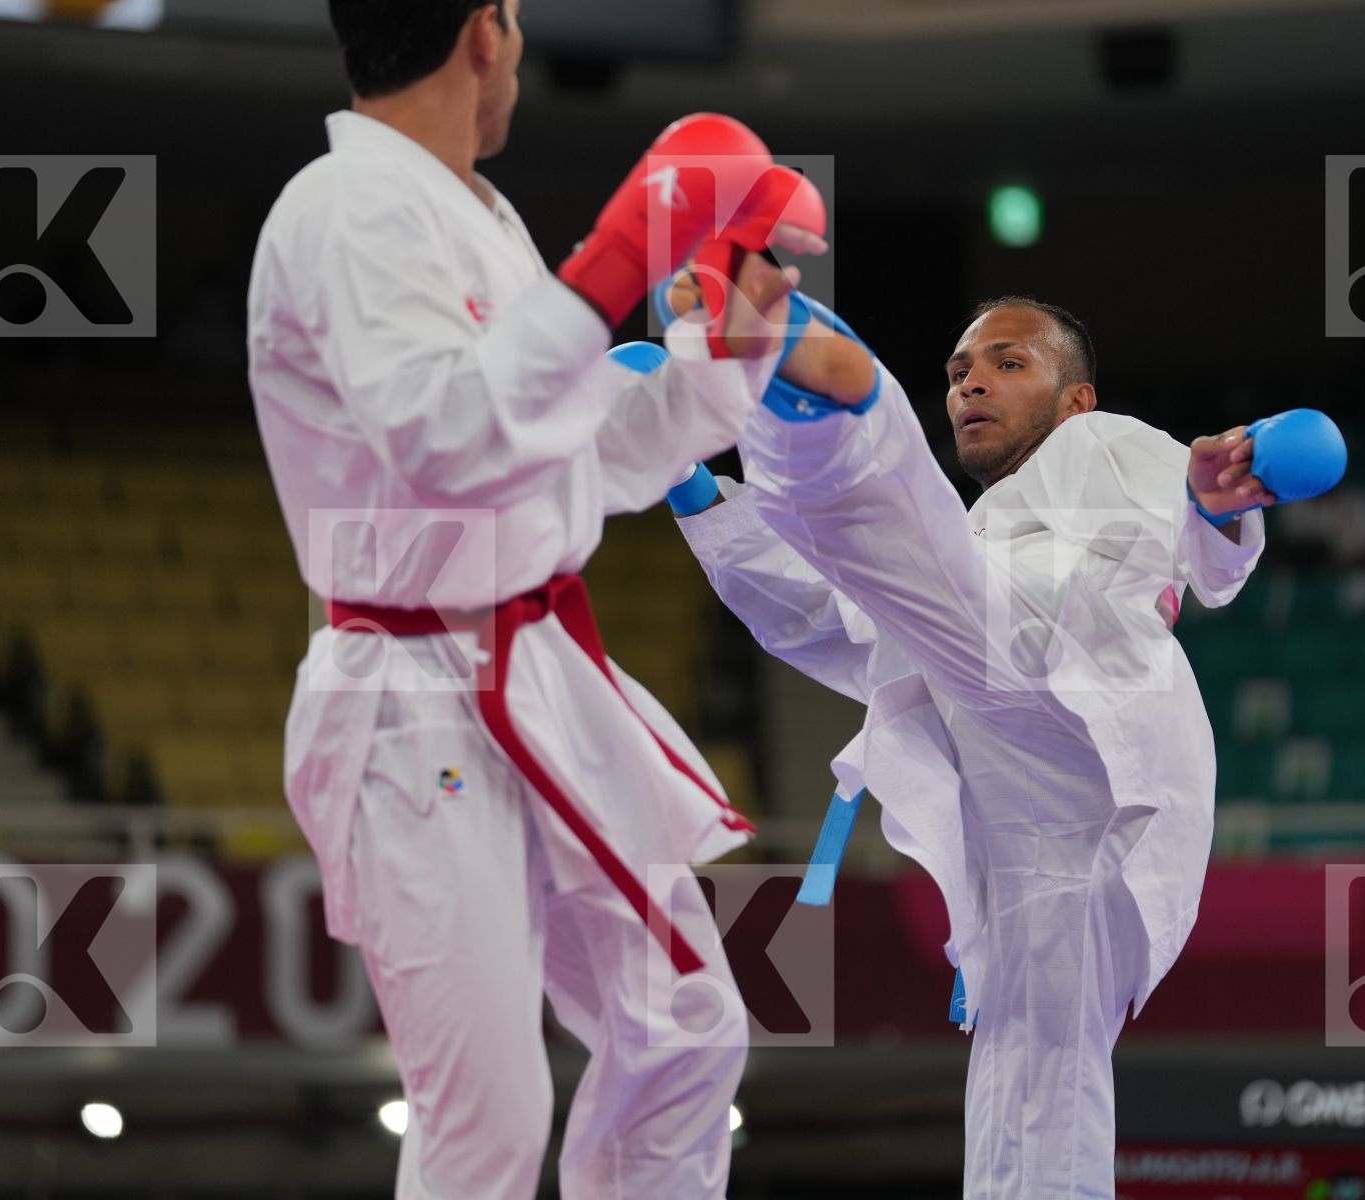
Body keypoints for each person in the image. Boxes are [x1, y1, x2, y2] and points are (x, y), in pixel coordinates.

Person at [246, 1, 822, 1195]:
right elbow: (448, 438)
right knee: (489, 1124)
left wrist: (726, 352)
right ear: (484, 31)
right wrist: (622, 252)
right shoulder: (342, 207)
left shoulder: (480, 218)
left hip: (536, 672)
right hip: (414, 700)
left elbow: (586, 459)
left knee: (685, 1030)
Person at [669, 286, 1343, 1198]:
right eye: (957, 373)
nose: (970, 384)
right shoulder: (973, 538)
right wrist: (697, 496)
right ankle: (800, 401)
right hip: (1025, 812)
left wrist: (1214, 502)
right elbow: (824, 619)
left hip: (1082, 708)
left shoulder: (1099, 446)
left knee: (914, 560)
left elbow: (1195, 530)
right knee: (1028, 1059)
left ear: (1075, 399)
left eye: (1007, 363)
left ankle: (825, 398)